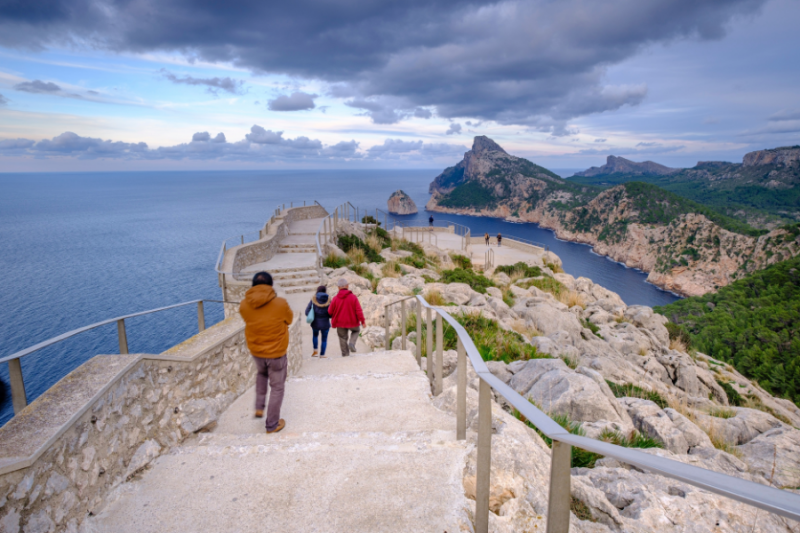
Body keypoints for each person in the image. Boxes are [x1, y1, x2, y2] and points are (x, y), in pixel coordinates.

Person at [239, 271, 293, 434]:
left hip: (257, 352)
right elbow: (289, 319)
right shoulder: (281, 303)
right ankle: (272, 424)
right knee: (277, 388)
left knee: (261, 375)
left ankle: (259, 407)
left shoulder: (243, 305)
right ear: (270, 286)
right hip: (276, 353)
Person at [328, 278, 365, 357]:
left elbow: (330, 312)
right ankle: (352, 343)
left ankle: (345, 355)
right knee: (356, 331)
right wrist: (363, 321)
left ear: (338, 287)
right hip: (352, 321)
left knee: (342, 337)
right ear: (347, 286)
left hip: (340, 322)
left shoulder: (335, 299)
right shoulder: (353, 297)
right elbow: (359, 310)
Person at [305, 285, 331, 358]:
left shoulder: (313, 299)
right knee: (324, 339)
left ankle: (315, 351)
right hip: (325, 323)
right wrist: (327, 316)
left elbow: (307, 311)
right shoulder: (329, 300)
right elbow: (331, 312)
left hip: (315, 323)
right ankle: (322, 354)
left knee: (315, 335)